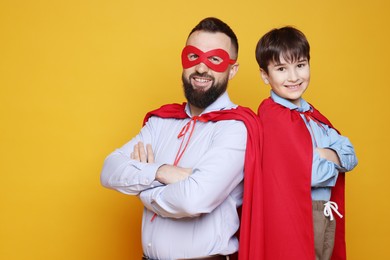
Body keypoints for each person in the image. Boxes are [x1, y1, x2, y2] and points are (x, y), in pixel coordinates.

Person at [101, 17, 262, 260]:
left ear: (233, 70)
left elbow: (193, 201)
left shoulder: (236, 128)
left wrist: (142, 190)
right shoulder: (160, 122)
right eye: (193, 57)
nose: (201, 68)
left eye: (215, 59)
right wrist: (161, 172)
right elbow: (109, 170)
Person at [240, 26, 358, 260]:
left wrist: (323, 154)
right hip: (297, 214)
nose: (293, 77)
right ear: (265, 75)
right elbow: (310, 174)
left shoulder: (313, 115)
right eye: (282, 69)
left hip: (325, 211)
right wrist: (334, 159)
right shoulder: (273, 116)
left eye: (300, 65)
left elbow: (351, 156)